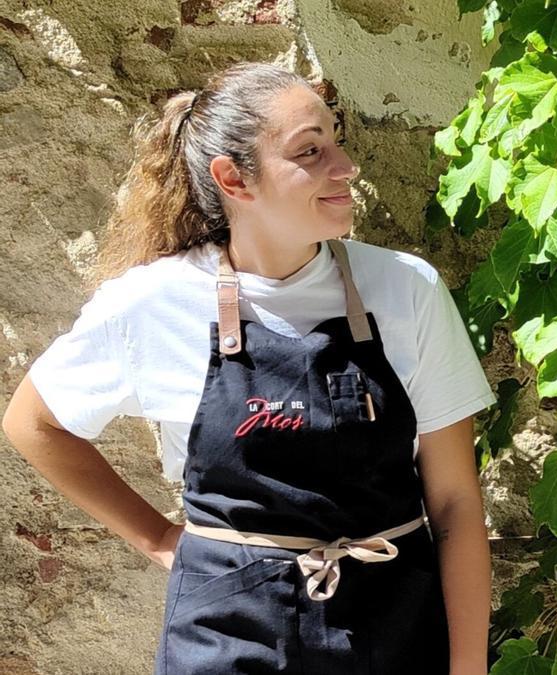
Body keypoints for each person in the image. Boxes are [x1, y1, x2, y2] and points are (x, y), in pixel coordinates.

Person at [1, 63, 494, 674]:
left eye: (335, 140)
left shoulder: (405, 289)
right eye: (311, 151)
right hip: (226, 637)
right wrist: (157, 538)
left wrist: (468, 668)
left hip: (394, 628)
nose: (345, 167)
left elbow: (453, 505)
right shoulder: (154, 303)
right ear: (234, 178)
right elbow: (34, 422)